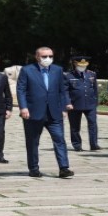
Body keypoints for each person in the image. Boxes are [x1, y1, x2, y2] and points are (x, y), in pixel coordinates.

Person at [17, 46, 75, 178]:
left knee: (59, 139)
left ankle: (64, 168)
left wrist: (64, 107)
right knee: (32, 141)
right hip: (33, 112)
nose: (47, 59)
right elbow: (21, 90)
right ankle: (33, 168)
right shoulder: (27, 70)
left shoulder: (57, 70)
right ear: (37, 57)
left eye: (50, 56)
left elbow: (62, 90)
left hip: (54, 112)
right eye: (44, 56)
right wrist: (23, 107)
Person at [64, 56, 101, 152]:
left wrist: (96, 101)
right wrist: (67, 103)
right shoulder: (68, 76)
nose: (82, 67)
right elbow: (65, 91)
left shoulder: (92, 74)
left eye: (84, 65)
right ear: (75, 64)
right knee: (75, 126)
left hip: (90, 103)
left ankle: (94, 144)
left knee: (93, 124)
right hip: (75, 104)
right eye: (80, 65)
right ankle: (77, 145)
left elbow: (95, 88)